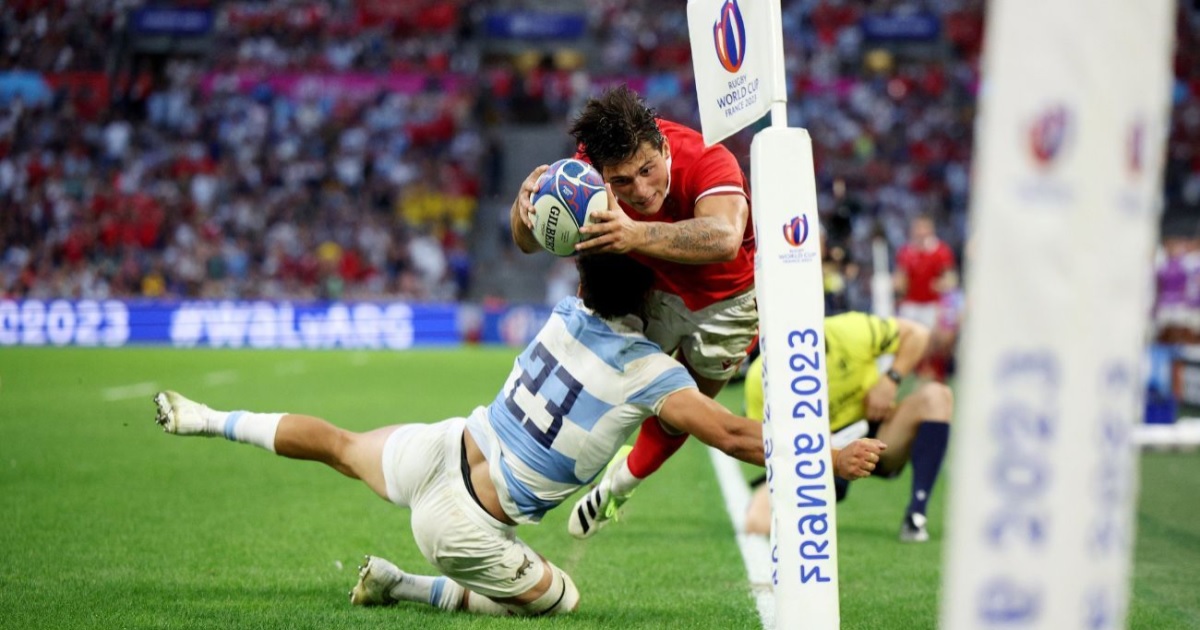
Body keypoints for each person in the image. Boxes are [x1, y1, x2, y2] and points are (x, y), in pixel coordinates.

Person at [151, 252, 885, 617]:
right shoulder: (652, 377)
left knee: (340, 445)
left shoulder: (567, 311)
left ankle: (206, 418)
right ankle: (403, 586)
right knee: (560, 598)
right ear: (652, 297)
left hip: (443, 445)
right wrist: (829, 452)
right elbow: (732, 434)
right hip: (465, 525)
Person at [509, 85, 761, 539]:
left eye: (648, 170)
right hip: (652, 286)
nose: (642, 191)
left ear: (664, 147)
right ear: (602, 172)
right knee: (602, 381)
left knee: (683, 411)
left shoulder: (707, 157)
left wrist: (636, 234)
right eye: (622, 182)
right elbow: (527, 243)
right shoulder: (586, 166)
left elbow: (725, 239)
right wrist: (524, 208)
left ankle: (622, 482)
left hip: (730, 302)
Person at [742, 312, 953, 542]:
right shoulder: (760, 377)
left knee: (937, 396)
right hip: (813, 456)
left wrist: (891, 379)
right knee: (757, 522)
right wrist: (809, 445)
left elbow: (918, 334)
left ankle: (916, 515)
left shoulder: (851, 330)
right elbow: (760, 441)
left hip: (875, 434)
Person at [893, 214, 957, 381]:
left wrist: (943, 285)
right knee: (908, 340)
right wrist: (897, 285)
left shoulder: (940, 251)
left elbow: (949, 277)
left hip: (931, 304)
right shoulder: (906, 252)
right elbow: (901, 277)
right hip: (911, 304)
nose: (921, 232)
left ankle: (931, 371)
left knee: (931, 341)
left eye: (924, 228)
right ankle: (910, 372)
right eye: (918, 228)